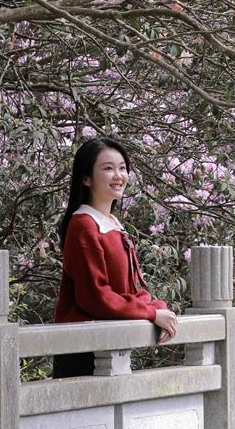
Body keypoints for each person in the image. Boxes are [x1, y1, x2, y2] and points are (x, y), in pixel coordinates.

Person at [52, 134, 178, 377]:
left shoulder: (112, 224)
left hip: (110, 344)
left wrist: (156, 307)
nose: (118, 175)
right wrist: (152, 313)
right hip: (84, 350)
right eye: (108, 169)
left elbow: (132, 289)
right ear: (86, 178)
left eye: (122, 168)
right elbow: (95, 296)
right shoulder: (84, 225)